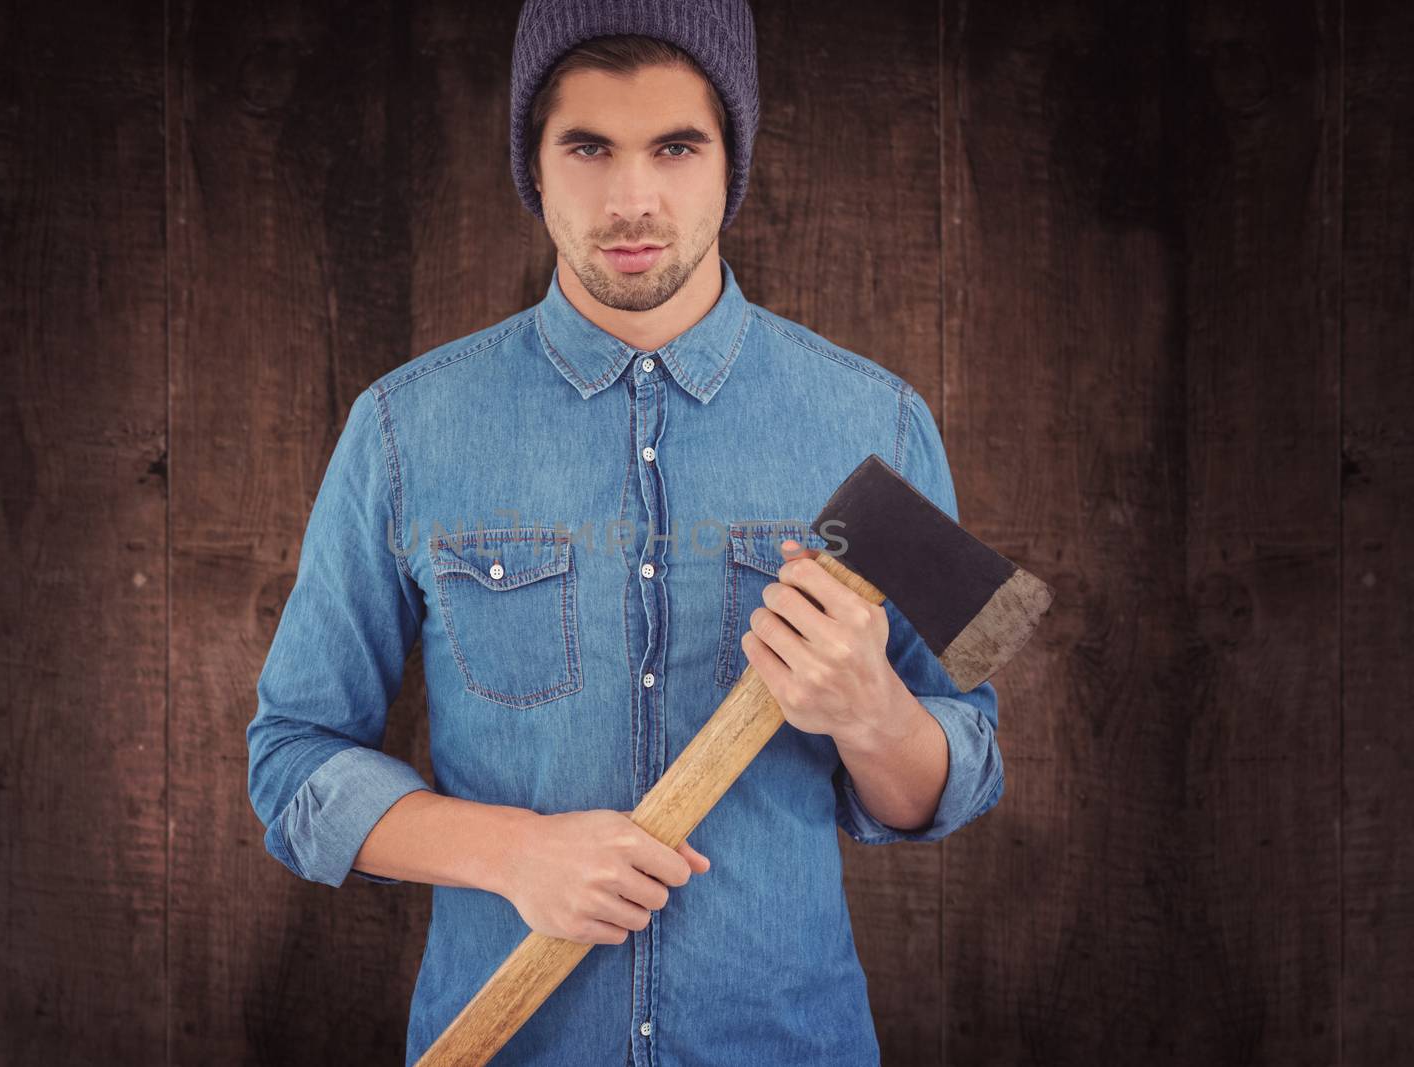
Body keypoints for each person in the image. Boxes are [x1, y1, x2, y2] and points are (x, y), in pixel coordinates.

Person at [245, 1, 1005, 1063]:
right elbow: (290, 760)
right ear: (535, 163)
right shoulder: (402, 429)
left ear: (730, 160)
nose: (631, 199)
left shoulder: (880, 425)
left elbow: (963, 760)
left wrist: (872, 710)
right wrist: (512, 852)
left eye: (676, 146)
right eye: (589, 147)